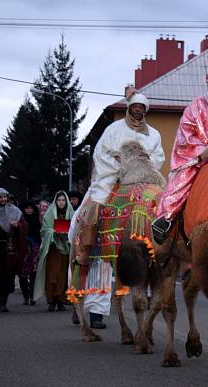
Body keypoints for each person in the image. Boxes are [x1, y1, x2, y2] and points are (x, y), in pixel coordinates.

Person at [70, 91, 164, 329]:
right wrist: (121, 167)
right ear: (129, 108)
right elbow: (101, 155)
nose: (138, 110)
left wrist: (141, 167)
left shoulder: (154, 134)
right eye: (135, 106)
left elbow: (158, 158)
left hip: (143, 181)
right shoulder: (112, 130)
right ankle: (87, 247)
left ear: (146, 110)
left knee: (164, 208)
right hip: (113, 179)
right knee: (96, 208)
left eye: (142, 107)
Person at [152, 63, 208, 243]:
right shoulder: (196, 107)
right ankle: (166, 219)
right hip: (203, 159)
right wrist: (207, 151)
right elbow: (185, 137)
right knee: (181, 183)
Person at [34, 191, 74, 311]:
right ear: (55, 201)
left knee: (63, 276)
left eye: (63, 200)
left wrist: (68, 233)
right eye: (59, 200)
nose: (61, 202)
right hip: (52, 250)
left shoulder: (71, 214)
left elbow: (76, 229)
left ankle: (61, 300)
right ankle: (51, 300)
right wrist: (53, 232)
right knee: (52, 276)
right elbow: (44, 231)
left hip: (65, 250)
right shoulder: (49, 214)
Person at [18, 201, 41, 305]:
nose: (29, 210)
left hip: (35, 249)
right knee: (22, 274)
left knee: (34, 273)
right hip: (23, 249)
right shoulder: (20, 221)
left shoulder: (38, 220)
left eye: (30, 208)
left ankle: (32, 296)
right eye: (26, 208)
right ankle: (25, 295)